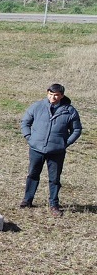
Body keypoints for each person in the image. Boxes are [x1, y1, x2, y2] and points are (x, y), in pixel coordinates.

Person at [20, 83, 82, 216]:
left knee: (54, 178)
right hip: (36, 148)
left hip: (56, 151)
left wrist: (65, 143)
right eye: (50, 94)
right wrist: (29, 137)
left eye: (56, 95)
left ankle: (54, 204)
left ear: (62, 96)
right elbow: (25, 122)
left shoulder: (69, 111)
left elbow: (76, 129)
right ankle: (27, 200)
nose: (53, 97)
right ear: (47, 93)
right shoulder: (37, 106)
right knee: (32, 174)